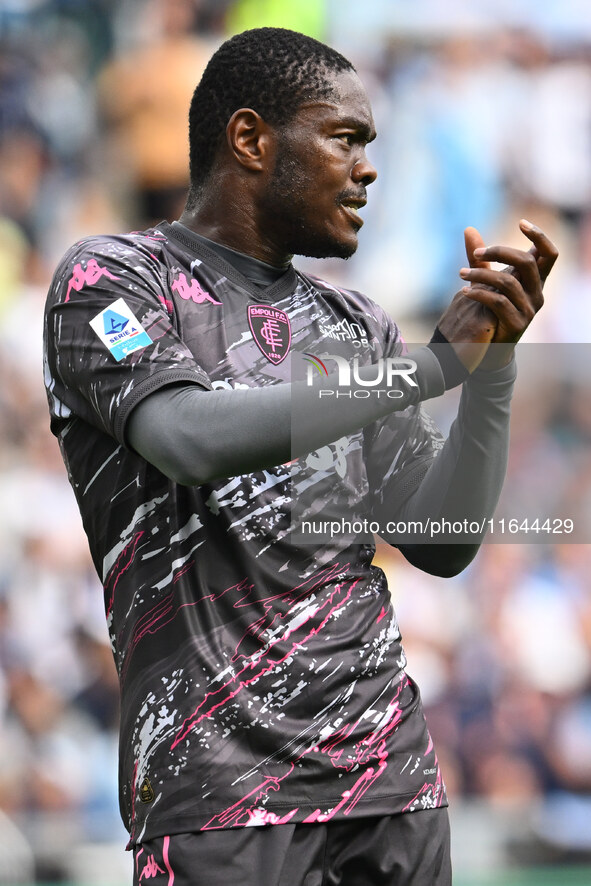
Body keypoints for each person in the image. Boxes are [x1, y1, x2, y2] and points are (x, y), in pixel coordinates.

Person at [43, 27, 557, 886]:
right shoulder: (115, 281)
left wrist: (490, 368)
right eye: (345, 138)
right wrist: (429, 366)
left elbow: (439, 540)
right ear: (250, 140)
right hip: (216, 791)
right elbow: (186, 440)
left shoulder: (353, 327)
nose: (367, 169)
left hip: (389, 782)